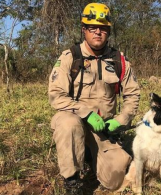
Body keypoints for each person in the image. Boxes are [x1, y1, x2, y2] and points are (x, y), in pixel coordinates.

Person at [48, 2, 140, 194]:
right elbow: (56, 96)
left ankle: (91, 153)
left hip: (103, 129)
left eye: (103, 28)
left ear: (108, 31)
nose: (98, 32)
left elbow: (132, 95)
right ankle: (72, 180)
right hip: (75, 122)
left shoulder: (119, 60)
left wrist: (121, 120)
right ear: (84, 30)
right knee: (68, 123)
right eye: (92, 28)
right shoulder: (69, 57)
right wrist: (86, 114)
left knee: (115, 180)